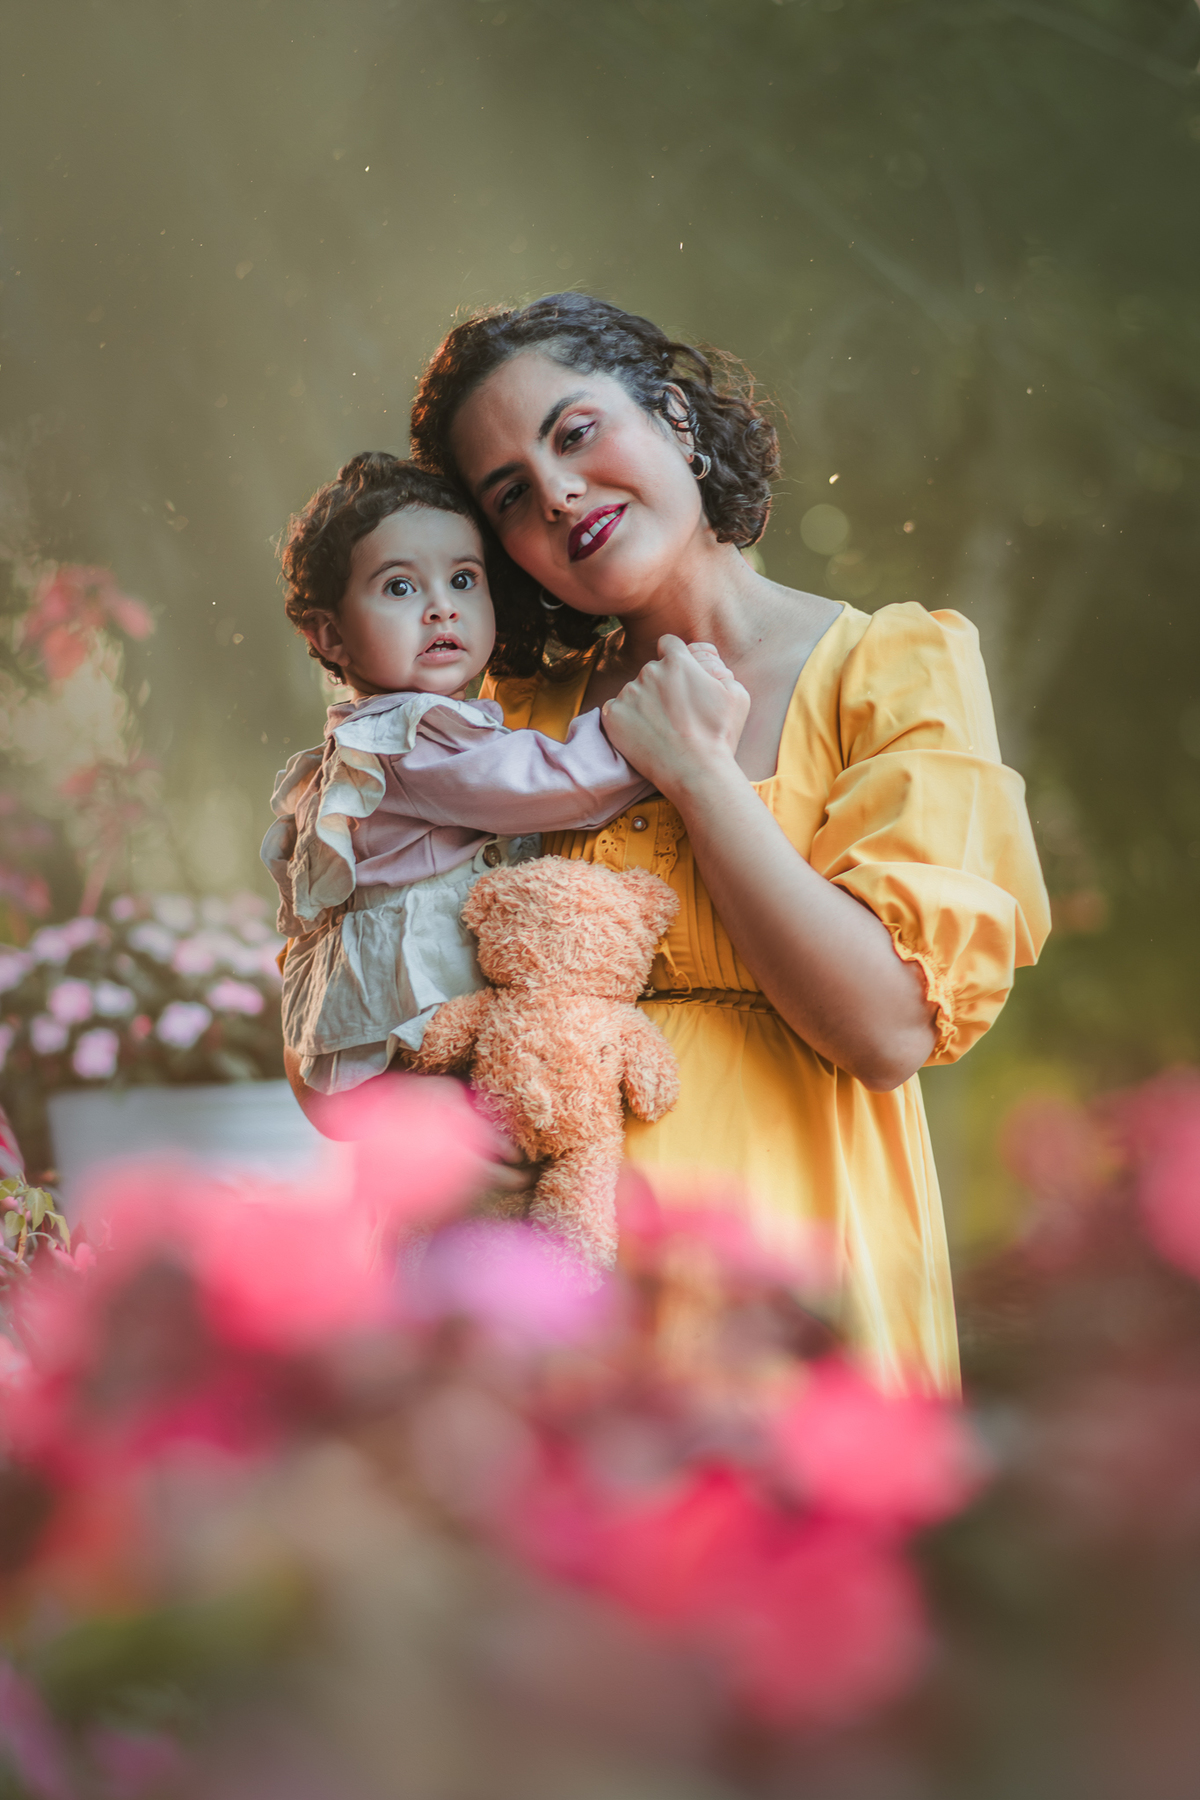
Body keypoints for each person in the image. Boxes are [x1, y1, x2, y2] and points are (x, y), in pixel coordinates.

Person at [409, 292, 1051, 1393]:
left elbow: (889, 1027)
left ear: (673, 418)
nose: (558, 492)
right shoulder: (507, 724)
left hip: (799, 1278)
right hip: (556, 1311)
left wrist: (700, 774)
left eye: (575, 432)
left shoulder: (890, 671)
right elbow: (383, 981)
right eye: (511, 493)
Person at [263, 453, 736, 1108]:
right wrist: (654, 721)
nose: (441, 610)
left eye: (463, 579)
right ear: (332, 635)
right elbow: (550, 783)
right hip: (426, 1024)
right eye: (400, 588)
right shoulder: (408, 739)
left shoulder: (404, 731)